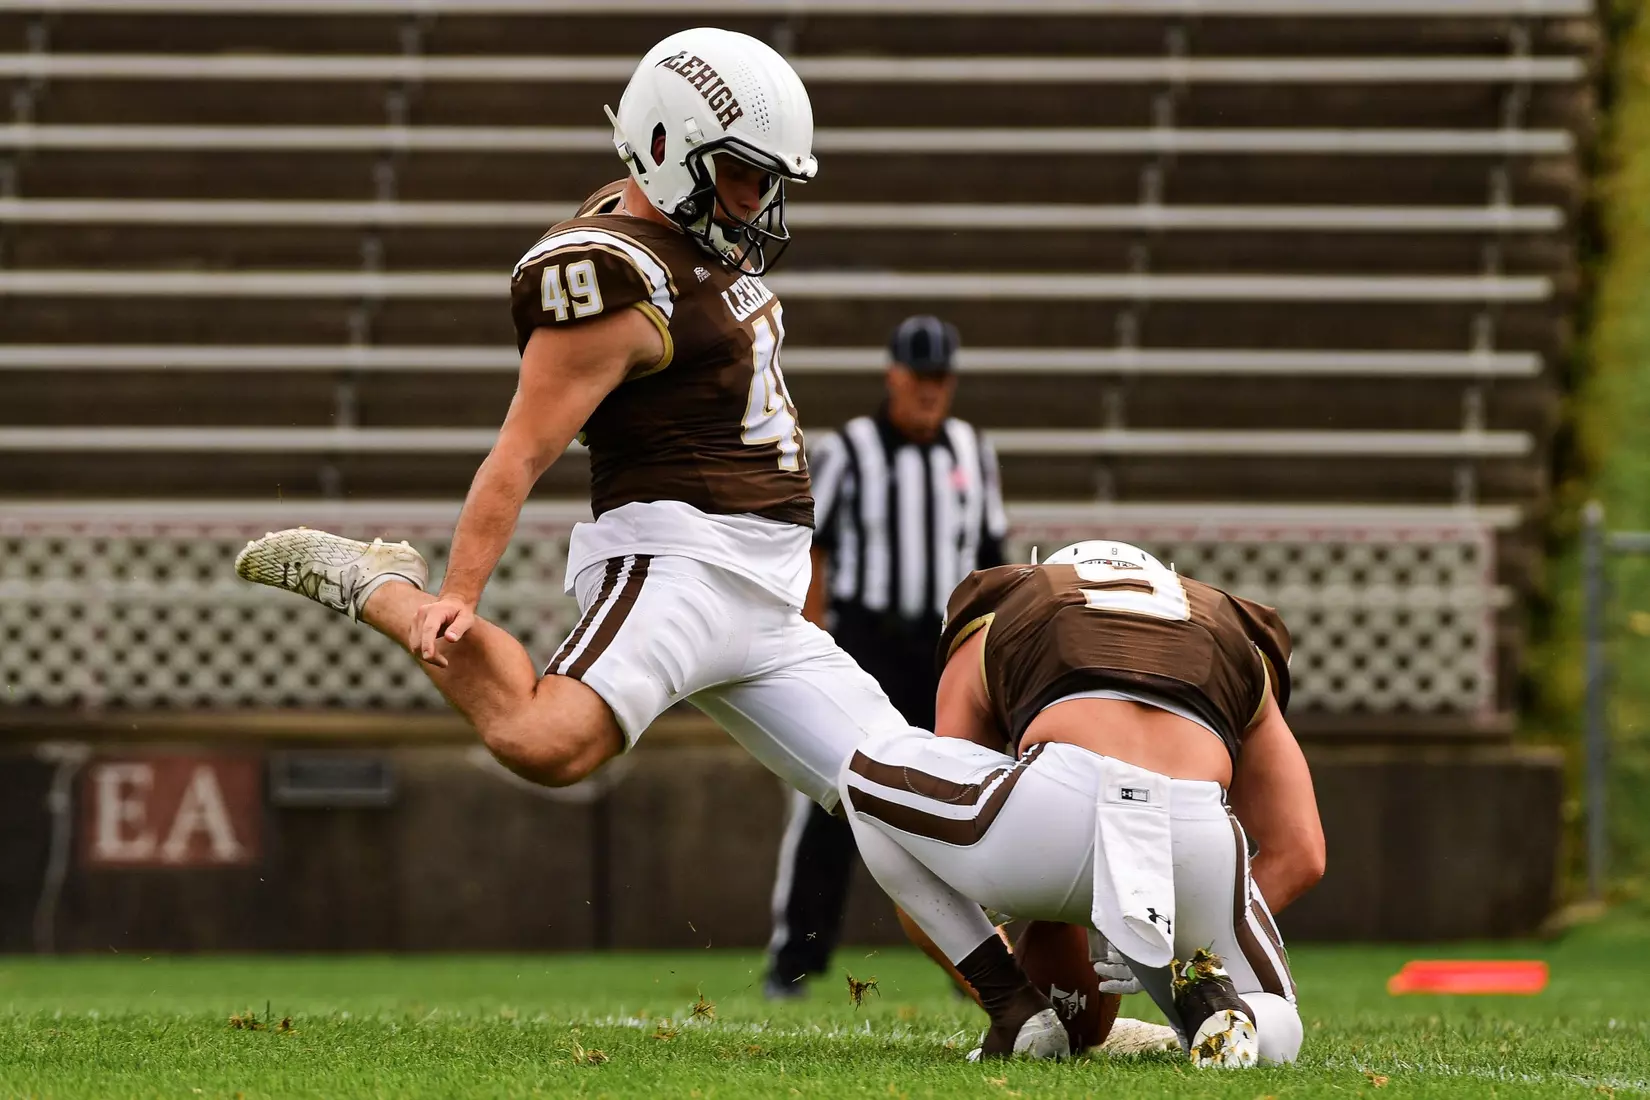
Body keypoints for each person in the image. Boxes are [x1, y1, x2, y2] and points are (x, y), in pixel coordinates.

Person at [231, 26, 1065, 1060]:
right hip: (677, 562)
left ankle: (1020, 1010)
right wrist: (458, 585)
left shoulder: (680, 238)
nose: (760, 202)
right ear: (672, 150)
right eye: (744, 177)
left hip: (764, 589)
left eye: (768, 180)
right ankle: (378, 584)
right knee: (547, 741)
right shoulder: (608, 283)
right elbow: (518, 452)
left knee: (891, 791)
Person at [837, 540, 1327, 1067]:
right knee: (1274, 1025)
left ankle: (1014, 1010)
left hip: (1057, 801)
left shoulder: (1002, 608)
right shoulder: (1238, 638)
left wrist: (1041, 925)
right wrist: (1175, 943)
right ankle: (1215, 1000)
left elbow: (943, 822)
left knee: (863, 772)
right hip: (1196, 830)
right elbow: (1301, 854)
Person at [765, 314, 1008, 999]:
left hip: (942, 650)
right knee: (837, 795)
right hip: (866, 642)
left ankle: (983, 960)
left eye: (940, 379)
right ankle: (796, 959)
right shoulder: (852, 450)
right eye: (918, 377)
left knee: (970, 796)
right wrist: (813, 633)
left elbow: (991, 560)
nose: (930, 392)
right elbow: (815, 546)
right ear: (893, 376)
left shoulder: (970, 449)